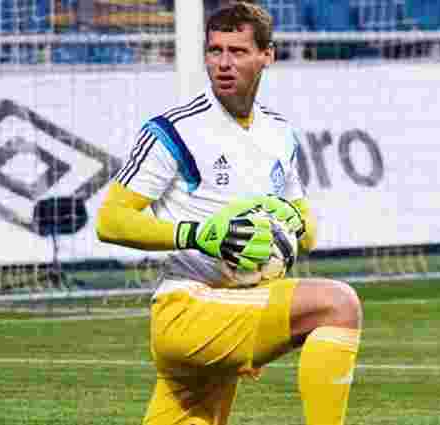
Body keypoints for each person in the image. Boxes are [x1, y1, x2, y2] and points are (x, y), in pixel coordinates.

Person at [95, 2, 363, 425]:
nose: (223, 63)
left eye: (237, 51)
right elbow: (110, 219)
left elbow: (307, 231)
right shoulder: (174, 130)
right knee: (337, 304)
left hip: (235, 302)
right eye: (214, 50)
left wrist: (292, 221)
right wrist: (198, 234)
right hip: (187, 307)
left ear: (267, 55)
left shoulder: (280, 134)